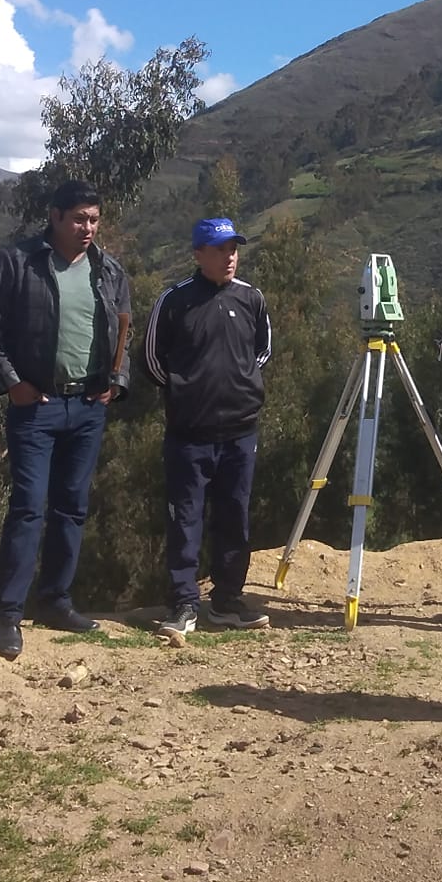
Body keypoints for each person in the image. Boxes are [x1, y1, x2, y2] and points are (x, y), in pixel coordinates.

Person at [0, 180, 132, 658]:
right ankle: (8, 617)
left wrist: (117, 380)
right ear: (56, 217)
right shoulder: (19, 262)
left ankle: (56, 602)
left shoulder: (108, 269)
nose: (88, 228)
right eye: (79, 218)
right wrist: (12, 383)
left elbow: (123, 323)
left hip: (87, 408)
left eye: (94, 220)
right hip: (36, 406)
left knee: (72, 507)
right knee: (27, 508)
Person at [144, 217, 273, 639]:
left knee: (235, 516)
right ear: (199, 254)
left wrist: (240, 386)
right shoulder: (175, 300)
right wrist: (186, 393)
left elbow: (262, 352)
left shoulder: (251, 298)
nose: (230, 256)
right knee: (186, 519)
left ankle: (227, 599)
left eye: (234, 248)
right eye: (220, 249)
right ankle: (183, 603)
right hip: (190, 434)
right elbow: (152, 359)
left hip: (240, 431)